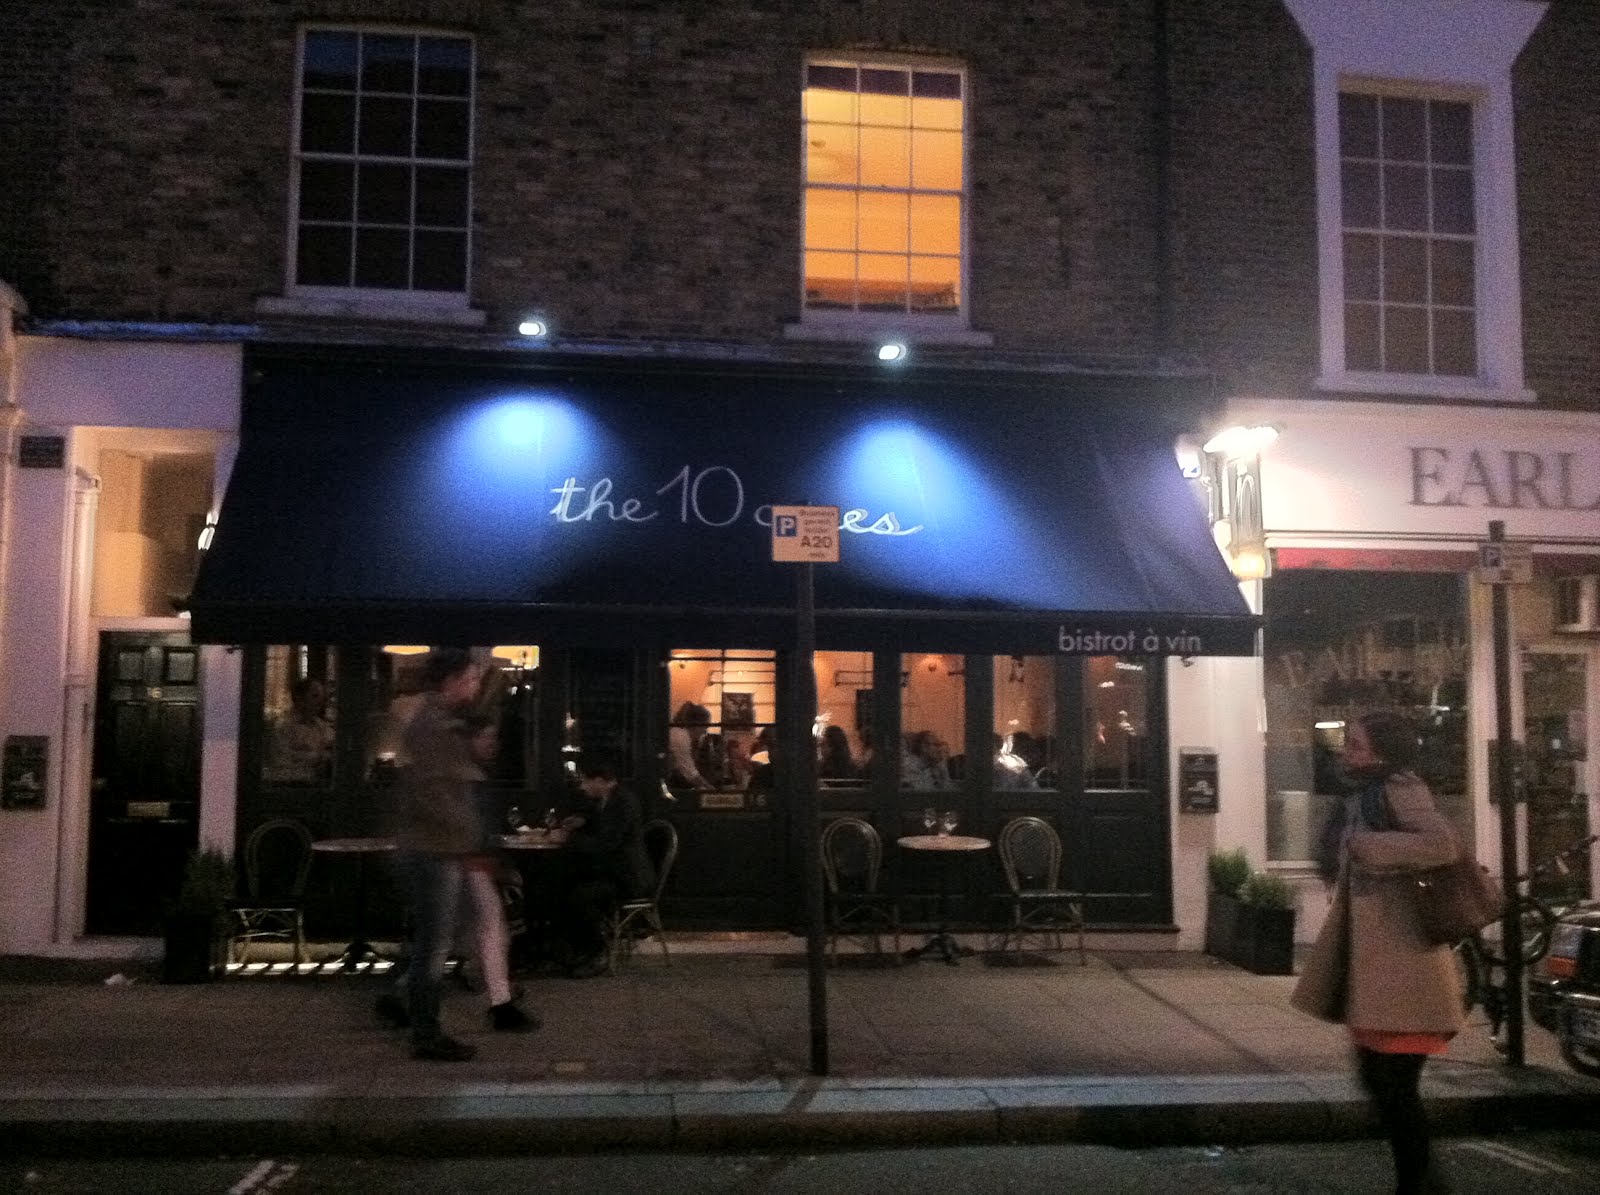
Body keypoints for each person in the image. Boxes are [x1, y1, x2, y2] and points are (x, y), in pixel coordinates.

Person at [1291, 711, 1463, 1194]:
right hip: (1382, 967)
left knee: (1394, 1086)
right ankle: (1423, 1184)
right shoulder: (1363, 793)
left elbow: (1442, 844)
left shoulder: (1399, 787)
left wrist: (1367, 846)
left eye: (1357, 744)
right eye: (1348, 743)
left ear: (1384, 751)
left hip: (1406, 967)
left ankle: (1419, 1186)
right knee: (1380, 1081)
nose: (1347, 752)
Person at [378, 648, 487, 1061]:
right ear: (451, 681)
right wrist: (467, 837)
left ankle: (403, 1000)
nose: (475, 687)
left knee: (440, 937)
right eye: (471, 679)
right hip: (434, 849)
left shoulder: (438, 722)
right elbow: (436, 794)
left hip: (437, 847)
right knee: (435, 944)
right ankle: (426, 1033)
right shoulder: (435, 726)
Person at [458, 714, 537, 1032]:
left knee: (477, 932)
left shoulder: (471, 774)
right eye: (486, 737)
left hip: (469, 862)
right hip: (468, 862)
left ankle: (499, 994)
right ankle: (500, 1000)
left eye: (495, 737)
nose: (494, 744)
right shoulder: (468, 776)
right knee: (490, 929)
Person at [556, 752, 656, 978]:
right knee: (564, 885)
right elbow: (599, 825)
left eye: (585, 781)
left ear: (600, 780)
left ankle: (598, 950)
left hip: (627, 878)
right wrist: (582, 822)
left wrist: (569, 839)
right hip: (614, 871)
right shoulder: (608, 799)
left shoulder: (623, 803)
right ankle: (578, 949)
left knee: (579, 897)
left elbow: (606, 844)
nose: (582, 787)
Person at [264, 677, 334, 784]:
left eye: (322, 697)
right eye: (315, 696)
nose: (320, 702)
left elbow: (332, 750)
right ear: (299, 698)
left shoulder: (322, 727)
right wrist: (317, 758)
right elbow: (280, 764)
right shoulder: (283, 727)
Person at [667, 702, 714, 791]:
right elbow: (690, 773)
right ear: (697, 725)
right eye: (705, 726)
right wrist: (711, 790)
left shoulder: (679, 733)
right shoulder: (680, 737)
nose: (705, 731)